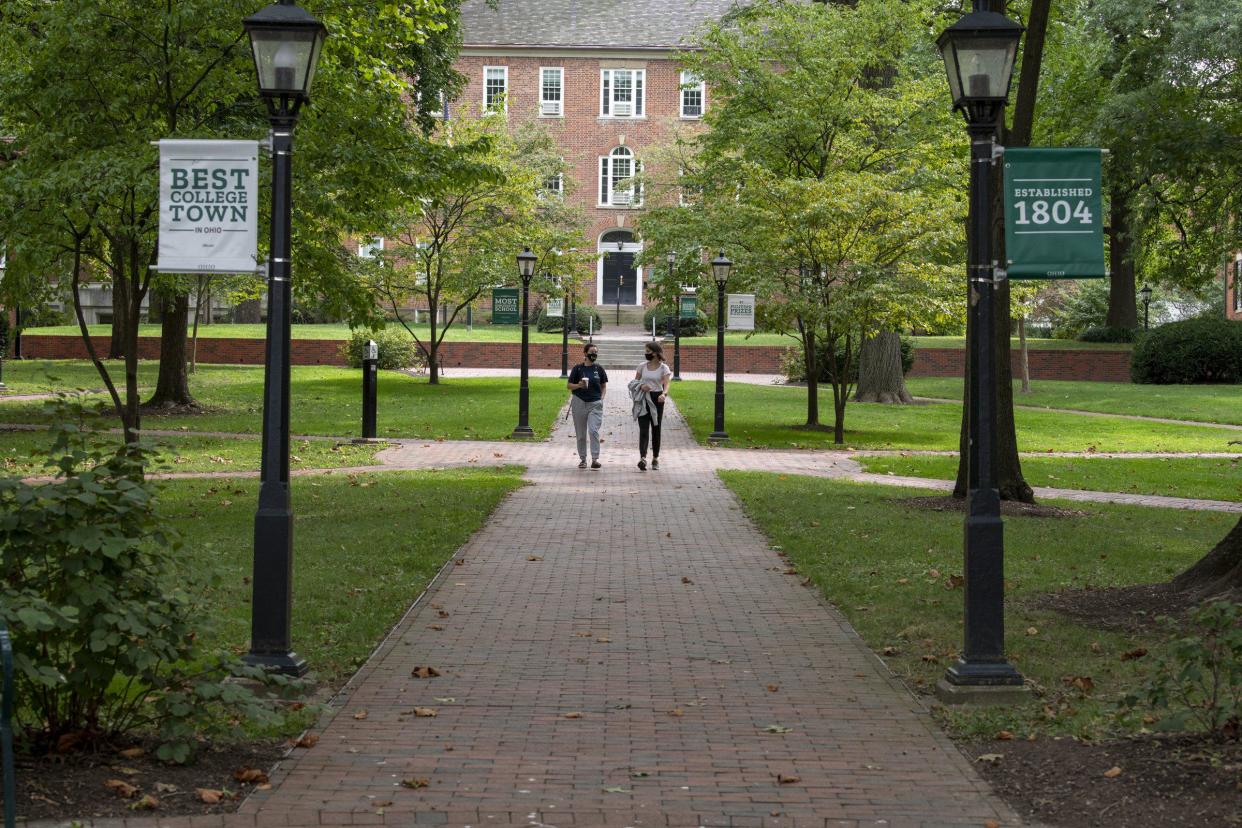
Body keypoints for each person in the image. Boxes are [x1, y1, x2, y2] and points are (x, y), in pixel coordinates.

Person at [631, 341, 671, 471]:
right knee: (643, 429)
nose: (646, 354)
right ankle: (642, 457)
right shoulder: (642, 366)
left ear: (655, 353)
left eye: (648, 351)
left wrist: (664, 394)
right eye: (645, 351)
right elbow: (634, 382)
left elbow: (666, 384)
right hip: (643, 398)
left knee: (656, 428)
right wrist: (641, 386)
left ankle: (655, 458)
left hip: (657, 398)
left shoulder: (663, 368)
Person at [567, 343, 608, 469]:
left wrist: (601, 399)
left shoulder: (599, 369)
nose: (594, 354)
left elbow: (603, 386)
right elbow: (569, 386)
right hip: (579, 401)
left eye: (596, 352)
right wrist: (579, 385)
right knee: (581, 434)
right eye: (591, 352)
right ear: (585, 353)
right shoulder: (578, 369)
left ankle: (595, 459)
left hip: (595, 403)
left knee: (593, 430)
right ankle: (583, 459)